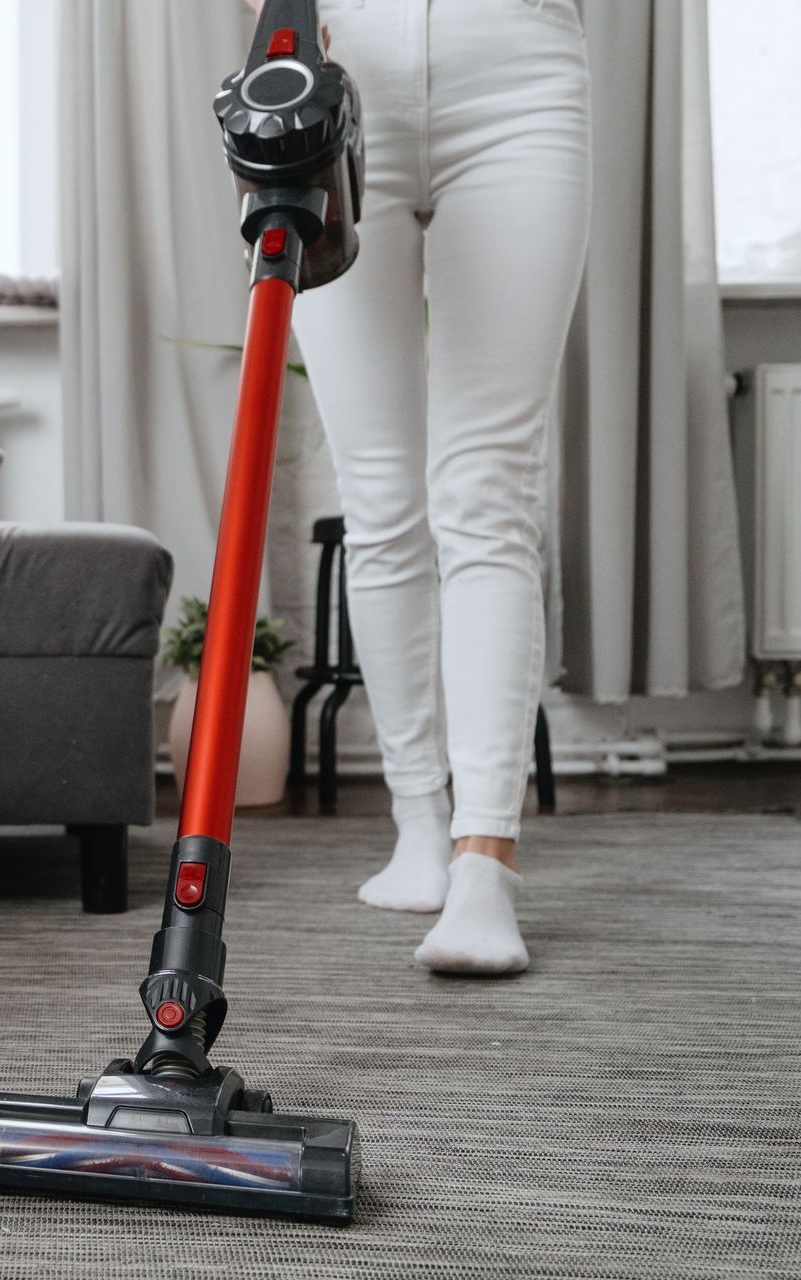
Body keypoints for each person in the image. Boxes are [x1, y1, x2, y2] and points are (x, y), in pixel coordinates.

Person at [245, 0, 592, 974]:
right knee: (382, 500)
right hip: (341, 77)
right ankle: (419, 824)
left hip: (520, 74)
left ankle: (487, 856)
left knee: (488, 490)